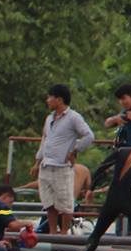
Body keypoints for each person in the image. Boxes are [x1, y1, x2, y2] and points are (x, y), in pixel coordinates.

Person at [36, 86, 95, 233]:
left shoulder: (73, 117)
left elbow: (89, 135)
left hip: (62, 166)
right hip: (46, 164)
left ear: (59, 99)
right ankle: (52, 231)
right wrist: (37, 161)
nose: (47, 100)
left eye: (50, 97)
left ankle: (63, 232)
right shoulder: (49, 118)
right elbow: (45, 139)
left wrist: (74, 150)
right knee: (48, 201)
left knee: (65, 201)